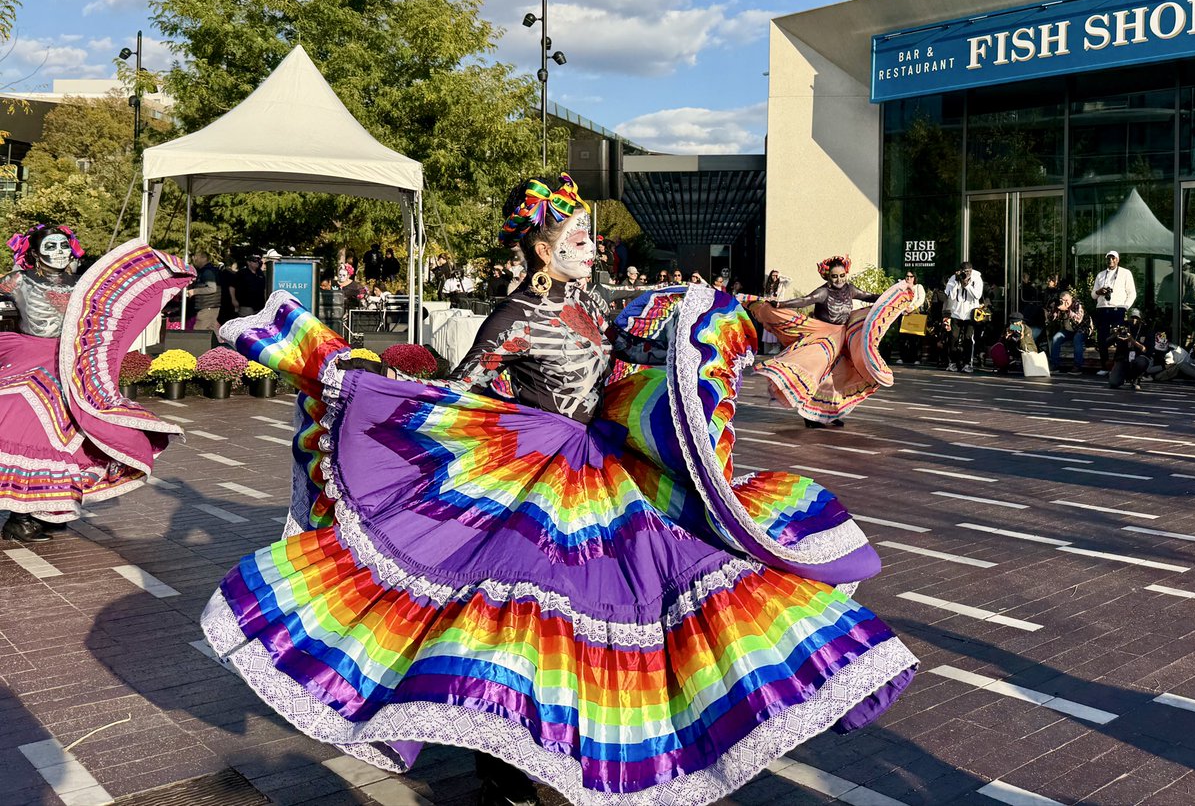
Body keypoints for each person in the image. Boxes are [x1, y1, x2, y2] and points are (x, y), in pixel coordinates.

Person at [201, 174, 916, 806]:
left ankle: (595, 738)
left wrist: (769, 320)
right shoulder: (513, 317)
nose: (590, 247)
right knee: (513, 625)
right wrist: (380, 390)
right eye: (577, 237)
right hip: (537, 477)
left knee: (662, 585)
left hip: (610, 467)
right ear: (542, 249)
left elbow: (651, 338)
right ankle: (503, 769)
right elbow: (463, 389)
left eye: (588, 237)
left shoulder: (592, 301)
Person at [0, 224, 192, 541]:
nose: (59, 252)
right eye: (50, 246)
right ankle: (19, 517)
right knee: (32, 426)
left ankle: (46, 509)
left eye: (64, 245)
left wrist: (162, 272)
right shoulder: (17, 280)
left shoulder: (83, 284)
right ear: (34, 252)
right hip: (29, 358)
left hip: (73, 362)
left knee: (76, 431)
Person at [746, 255, 913, 429]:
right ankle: (809, 416)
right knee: (817, 373)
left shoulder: (850, 289)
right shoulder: (823, 292)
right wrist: (781, 305)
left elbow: (870, 296)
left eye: (842, 276)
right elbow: (804, 300)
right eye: (834, 276)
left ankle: (829, 413)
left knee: (837, 377)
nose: (839, 280)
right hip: (823, 336)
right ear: (827, 277)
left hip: (843, 336)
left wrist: (895, 301)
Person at [1091, 249, 1137, 376]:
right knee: (1102, 338)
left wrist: (1125, 307)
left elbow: (1132, 293)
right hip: (1102, 309)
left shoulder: (1125, 273)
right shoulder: (1101, 275)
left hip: (1117, 309)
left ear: (1118, 259)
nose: (1111, 260)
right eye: (1109, 258)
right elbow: (1093, 295)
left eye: (1113, 258)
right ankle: (1104, 366)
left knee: (1120, 338)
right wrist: (1099, 292)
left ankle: (1117, 367)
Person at [944, 260, 983, 373]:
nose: (966, 274)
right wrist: (957, 283)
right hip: (956, 313)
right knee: (953, 338)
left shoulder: (976, 278)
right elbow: (950, 296)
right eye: (964, 271)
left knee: (968, 338)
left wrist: (967, 285)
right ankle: (952, 363)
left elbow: (977, 295)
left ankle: (967, 363)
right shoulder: (954, 278)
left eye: (968, 271)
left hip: (970, 314)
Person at [1106, 307, 1151, 391]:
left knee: (1141, 362)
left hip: (1138, 356)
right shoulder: (1123, 326)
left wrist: (1132, 341)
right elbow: (1107, 343)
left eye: (1136, 318)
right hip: (1123, 357)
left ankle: (1136, 379)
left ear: (1140, 319)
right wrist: (1115, 335)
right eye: (1132, 317)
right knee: (1113, 383)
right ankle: (1125, 377)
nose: (1134, 320)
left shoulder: (1145, 329)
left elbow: (1145, 349)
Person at [1047, 290, 1088, 375]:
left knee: (1077, 339)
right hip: (1068, 330)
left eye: (1067, 300)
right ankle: (1055, 365)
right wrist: (1054, 309)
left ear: (1071, 298)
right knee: (1056, 338)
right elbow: (1050, 319)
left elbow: (1078, 320)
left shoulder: (1077, 304)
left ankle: (1077, 366)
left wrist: (1067, 310)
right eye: (1063, 300)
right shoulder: (1059, 305)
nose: (1065, 302)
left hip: (1082, 329)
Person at [186, 250, 221, 332]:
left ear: (204, 258)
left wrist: (194, 291)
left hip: (207, 307)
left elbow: (212, 288)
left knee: (199, 332)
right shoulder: (209, 270)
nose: (194, 260)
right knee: (212, 332)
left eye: (196, 258)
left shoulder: (207, 272)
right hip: (212, 307)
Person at [897, 270, 927, 365]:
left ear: (914, 278)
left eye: (911, 276)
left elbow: (921, 299)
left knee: (915, 337)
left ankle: (916, 358)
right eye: (907, 276)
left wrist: (912, 308)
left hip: (914, 313)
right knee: (903, 337)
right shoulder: (901, 287)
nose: (909, 278)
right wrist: (903, 310)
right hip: (903, 314)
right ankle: (903, 357)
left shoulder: (918, 287)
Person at [760, 269, 790, 355]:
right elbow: (765, 296)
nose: (775, 277)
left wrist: (780, 276)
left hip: (778, 307)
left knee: (778, 325)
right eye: (773, 275)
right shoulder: (768, 285)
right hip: (770, 307)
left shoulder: (781, 284)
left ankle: (778, 346)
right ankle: (774, 346)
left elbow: (790, 280)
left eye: (777, 275)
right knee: (771, 326)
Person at [218, 257, 239, 325]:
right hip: (229, 300)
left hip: (222, 298)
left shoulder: (221, 273)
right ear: (233, 264)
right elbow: (231, 287)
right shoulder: (232, 274)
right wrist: (234, 299)